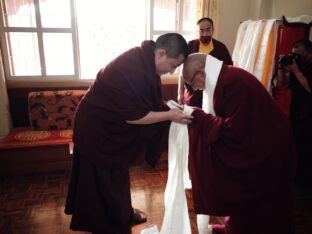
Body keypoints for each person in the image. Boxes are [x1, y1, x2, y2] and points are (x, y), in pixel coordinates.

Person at [64, 33, 193, 234]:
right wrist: (168, 115)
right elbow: (134, 116)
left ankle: (121, 212)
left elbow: (143, 101)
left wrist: (166, 108)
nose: (172, 71)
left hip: (109, 125)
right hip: (97, 129)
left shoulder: (144, 62)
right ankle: (108, 223)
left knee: (117, 176)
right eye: (173, 65)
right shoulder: (131, 67)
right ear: (161, 53)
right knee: (103, 180)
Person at [183, 53, 297, 234]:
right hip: (259, 141)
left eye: (191, 82)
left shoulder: (232, 82)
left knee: (261, 199)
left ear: (202, 72)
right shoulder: (223, 78)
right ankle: (234, 228)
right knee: (240, 190)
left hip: (268, 148)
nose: (194, 89)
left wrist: (200, 118)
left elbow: (234, 133)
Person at [274, 39, 312, 187]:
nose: (296, 58)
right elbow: (281, 84)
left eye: (299, 55)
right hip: (296, 111)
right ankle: (294, 177)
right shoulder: (298, 64)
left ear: (309, 53)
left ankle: (304, 181)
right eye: (293, 54)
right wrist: (281, 68)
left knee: (305, 148)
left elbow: (309, 88)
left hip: (309, 113)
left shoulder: (306, 67)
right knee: (294, 144)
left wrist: (296, 71)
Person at [178, 17, 233, 107]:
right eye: (202, 30)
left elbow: (228, 73)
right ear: (198, 31)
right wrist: (180, 93)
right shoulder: (191, 45)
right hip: (193, 96)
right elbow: (182, 72)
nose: (205, 34)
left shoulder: (221, 48)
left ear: (213, 30)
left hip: (214, 97)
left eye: (208, 30)